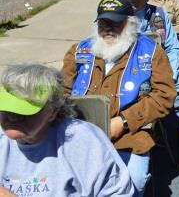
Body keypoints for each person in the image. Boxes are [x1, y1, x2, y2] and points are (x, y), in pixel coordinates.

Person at [62, 0, 177, 196]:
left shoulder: (151, 52)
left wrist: (123, 121)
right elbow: (61, 91)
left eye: (115, 22)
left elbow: (164, 96)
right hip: (80, 131)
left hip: (129, 134)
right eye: (103, 22)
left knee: (133, 182)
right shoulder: (79, 50)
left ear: (130, 24)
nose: (108, 28)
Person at [0, 64, 134, 196]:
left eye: (23, 111)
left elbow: (118, 192)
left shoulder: (83, 141)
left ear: (53, 111)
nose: (11, 117)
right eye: (6, 109)